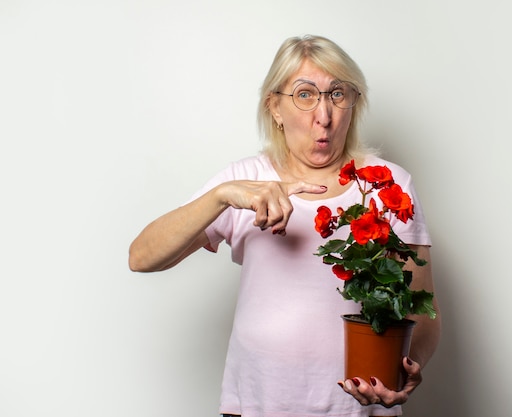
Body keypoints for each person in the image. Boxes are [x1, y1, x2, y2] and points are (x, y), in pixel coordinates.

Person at [129, 34, 441, 417]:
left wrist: (407, 369)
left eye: (338, 94)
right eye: (305, 94)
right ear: (275, 107)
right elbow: (142, 257)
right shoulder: (246, 180)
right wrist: (221, 195)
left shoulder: (388, 185)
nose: (323, 115)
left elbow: (423, 313)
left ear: (353, 104)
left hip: (361, 410)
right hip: (258, 405)